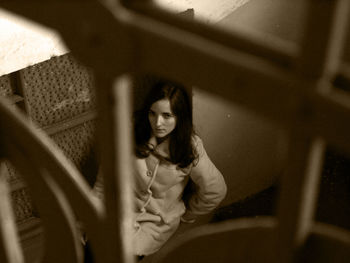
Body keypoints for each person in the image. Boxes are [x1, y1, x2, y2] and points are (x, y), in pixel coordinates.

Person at [93, 78, 227, 257]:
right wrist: (94, 205)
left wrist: (188, 214)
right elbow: (107, 171)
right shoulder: (132, 128)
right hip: (120, 209)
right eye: (152, 113)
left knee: (120, 255)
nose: (157, 123)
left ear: (180, 117)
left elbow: (215, 190)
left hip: (156, 223)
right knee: (91, 250)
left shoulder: (191, 147)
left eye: (167, 116)